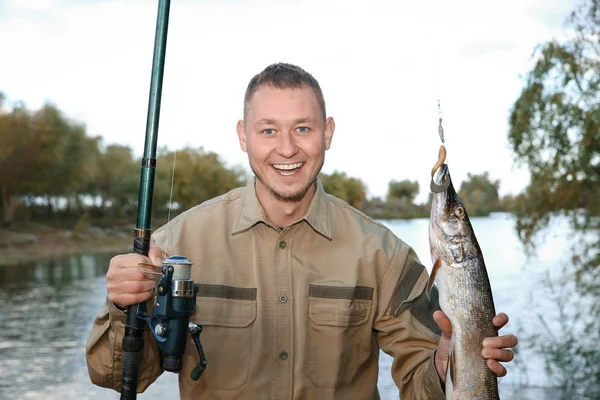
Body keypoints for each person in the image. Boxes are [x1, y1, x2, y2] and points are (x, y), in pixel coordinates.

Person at [86, 63, 517, 399]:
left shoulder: (385, 255)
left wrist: (446, 361)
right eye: (268, 130)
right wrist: (124, 306)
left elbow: (424, 387)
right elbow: (116, 376)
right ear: (243, 136)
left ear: (327, 134)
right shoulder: (173, 245)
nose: (287, 148)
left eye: (303, 129)